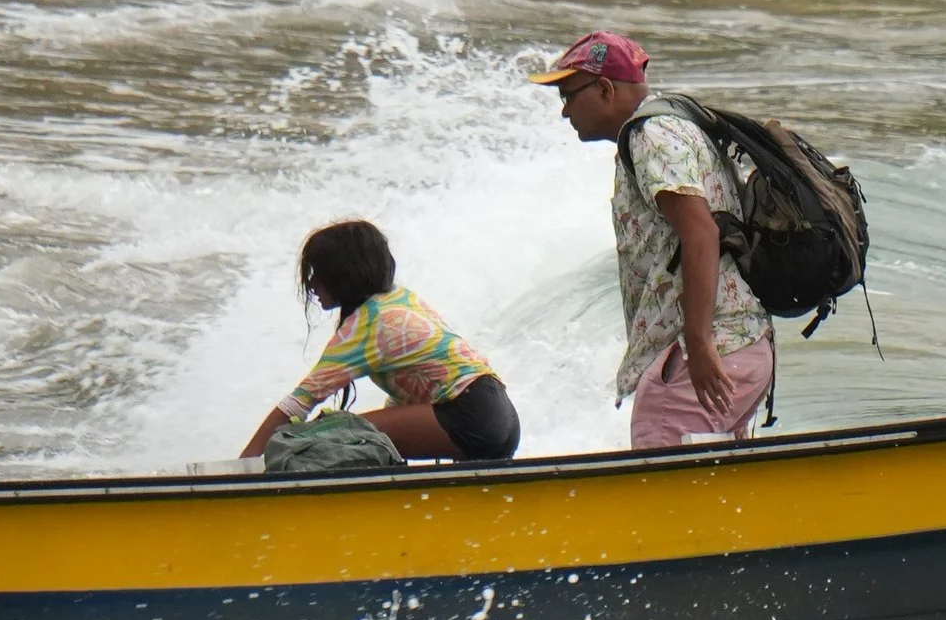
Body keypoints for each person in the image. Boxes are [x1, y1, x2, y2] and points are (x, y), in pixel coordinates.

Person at [531, 28, 774, 449]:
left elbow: (701, 231)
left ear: (604, 88)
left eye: (567, 96)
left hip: (710, 351)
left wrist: (698, 345)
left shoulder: (651, 136)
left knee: (661, 482)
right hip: (743, 344)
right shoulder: (678, 126)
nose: (565, 112)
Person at [240, 220, 520, 463]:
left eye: (317, 273)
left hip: (470, 417)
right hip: (501, 416)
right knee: (349, 434)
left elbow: (297, 404)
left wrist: (241, 468)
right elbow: (405, 397)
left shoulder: (368, 324)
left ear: (342, 275)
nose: (311, 284)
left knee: (319, 437)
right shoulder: (399, 299)